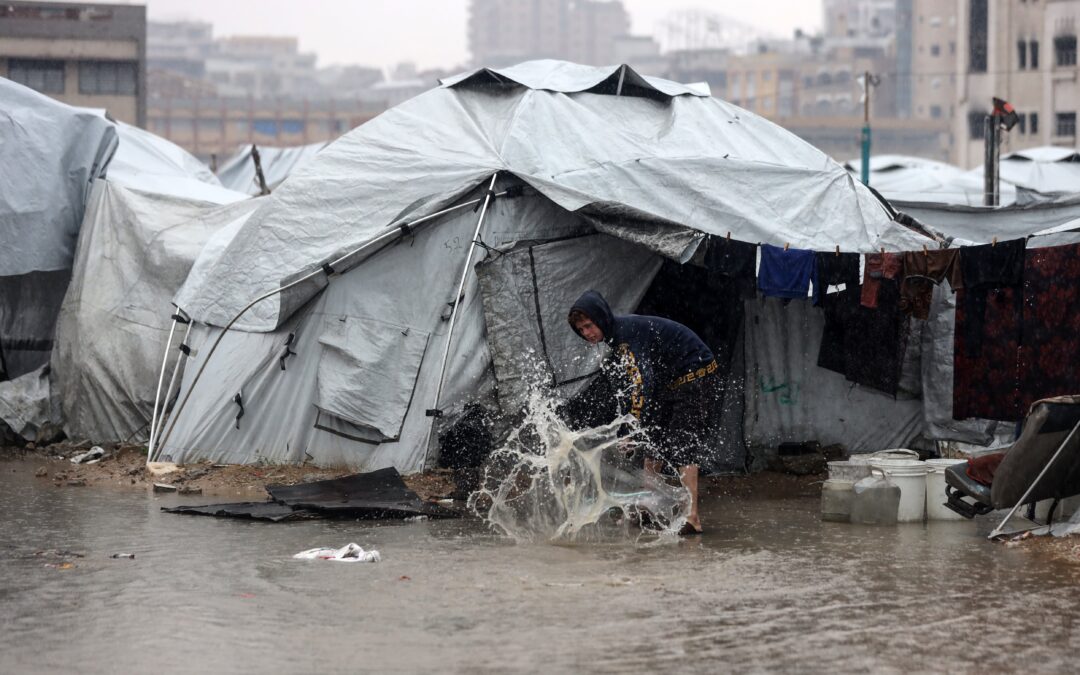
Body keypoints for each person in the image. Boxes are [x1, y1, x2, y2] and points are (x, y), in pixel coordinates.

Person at [566, 290, 718, 534]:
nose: (587, 333)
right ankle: (649, 506)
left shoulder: (625, 337)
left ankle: (692, 518)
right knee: (652, 440)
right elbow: (632, 387)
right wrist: (633, 427)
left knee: (683, 443)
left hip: (695, 374)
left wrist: (630, 430)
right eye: (581, 330)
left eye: (589, 325)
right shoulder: (615, 338)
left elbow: (641, 384)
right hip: (669, 381)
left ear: (601, 318)